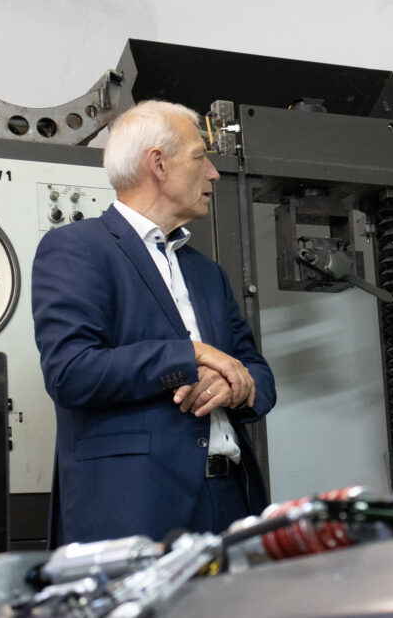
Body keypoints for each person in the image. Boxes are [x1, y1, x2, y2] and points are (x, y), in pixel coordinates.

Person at [32, 100, 276, 546]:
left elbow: (257, 371)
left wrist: (232, 385)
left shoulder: (207, 272)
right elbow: (70, 372)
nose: (214, 174)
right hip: (134, 508)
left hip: (231, 500)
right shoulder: (76, 249)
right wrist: (190, 357)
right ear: (158, 164)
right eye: (200, 158)